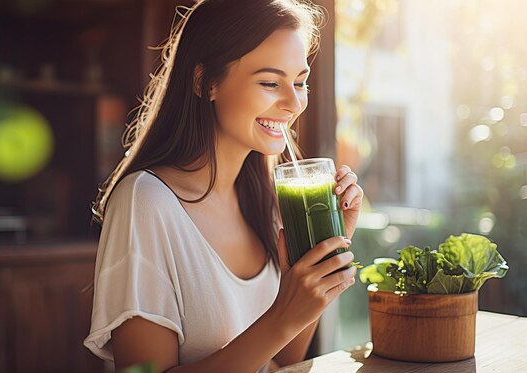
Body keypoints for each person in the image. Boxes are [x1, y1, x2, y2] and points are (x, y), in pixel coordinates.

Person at [84, 0, 365, 371]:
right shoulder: (146, 202)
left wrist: (319, 261)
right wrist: (282, 314)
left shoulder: (270, 196)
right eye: (269, 82)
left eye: (300, 82)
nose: (294, 102)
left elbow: (282, 360)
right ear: (206, 82)